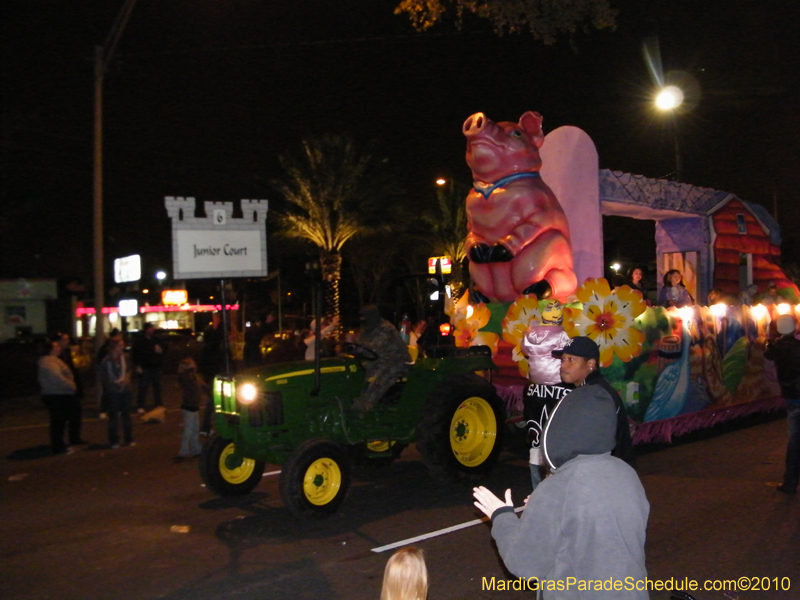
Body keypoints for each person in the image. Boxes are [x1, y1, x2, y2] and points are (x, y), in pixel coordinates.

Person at [472, 367, 649, 597]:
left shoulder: (559, 485)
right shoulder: (625, 473)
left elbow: (526, 563)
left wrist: (502, 516)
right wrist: (545, 507)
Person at [554, 336, 636, 468]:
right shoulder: (591, 389)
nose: (564, 365)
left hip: (605, 474)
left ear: (590, 364)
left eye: (571, 360)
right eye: (563, 359)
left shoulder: (595, 395)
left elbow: (589, 444)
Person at [764, 314, 800, 495]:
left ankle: (790, 482)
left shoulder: (775, 347)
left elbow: (767, 353)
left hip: (792, 396)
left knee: (794, 442)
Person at [352, 305, 410, 412]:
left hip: (396, 361)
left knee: (383, 373)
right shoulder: (366, 328)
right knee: (355, 370)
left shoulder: (386, 329)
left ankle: (366, 403)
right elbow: (359, 344)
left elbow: (374, 347)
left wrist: (358, 348)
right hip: (376, 360)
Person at [38, 340, 78, 455]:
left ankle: (59, 444)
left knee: (59, 421)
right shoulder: (49, 363)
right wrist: (71, 386)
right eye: (56, 347)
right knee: (58, 421)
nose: (59, 348)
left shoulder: (52, 361)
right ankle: (58, 446)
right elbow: (58, 378)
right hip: (56, 395)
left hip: (57, 394)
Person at [100, 337, 135, 448]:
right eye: (120, 345)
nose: (122, 347)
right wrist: (115, 383)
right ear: (114, 347)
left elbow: (129, 370)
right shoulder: (106, 361)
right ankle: (114, 440)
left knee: (126, 415)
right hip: (113, 391)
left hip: (125, 390)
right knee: (113, 415)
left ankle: (128, 438)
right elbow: (104, 378)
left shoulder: (125, 358)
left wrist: (126, 380)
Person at [54, 332, 87, 445]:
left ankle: (75, 438)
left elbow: (73, 370)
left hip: (71, 387)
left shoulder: (67, 353)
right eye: (64, 340)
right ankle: (60, 442)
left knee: (76, 414)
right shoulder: (55, 356)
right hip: (61, 390)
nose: (67, 343)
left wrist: (78, 387)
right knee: (61, 417)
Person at [175, 357, 206, 459]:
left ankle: (196, 449)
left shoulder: (192, 376)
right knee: (188, 431)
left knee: (194, 430)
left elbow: (203, 386)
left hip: (193, 406)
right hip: (189, 407)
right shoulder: (186, 376)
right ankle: (184, 451)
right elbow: (198, 386)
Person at [131, 322, 165, 414]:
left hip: (156, 366)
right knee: (143, 386)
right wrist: (137, 365)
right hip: (145, 366)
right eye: (150, 328)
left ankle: (158, 403)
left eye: (152, 328)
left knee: (157, 386)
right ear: (146, 329)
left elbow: (164, 349)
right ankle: (140, 405)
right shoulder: (140, 341)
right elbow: (135, 354)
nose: (152, 330)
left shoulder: (156, 339)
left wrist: (160, 351)